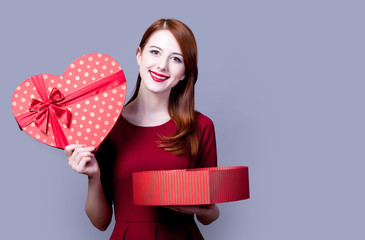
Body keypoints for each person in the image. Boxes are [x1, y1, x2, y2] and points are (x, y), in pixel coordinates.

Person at [64, 18, 219, 240]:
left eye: (176, 59)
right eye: (155, 52)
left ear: (185, 72)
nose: (162, 66)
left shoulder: (202, 126)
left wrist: (205, 209)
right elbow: (100, 222)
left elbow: (210, 216)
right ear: (139, 55)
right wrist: (93, 176)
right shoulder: (106, 126)